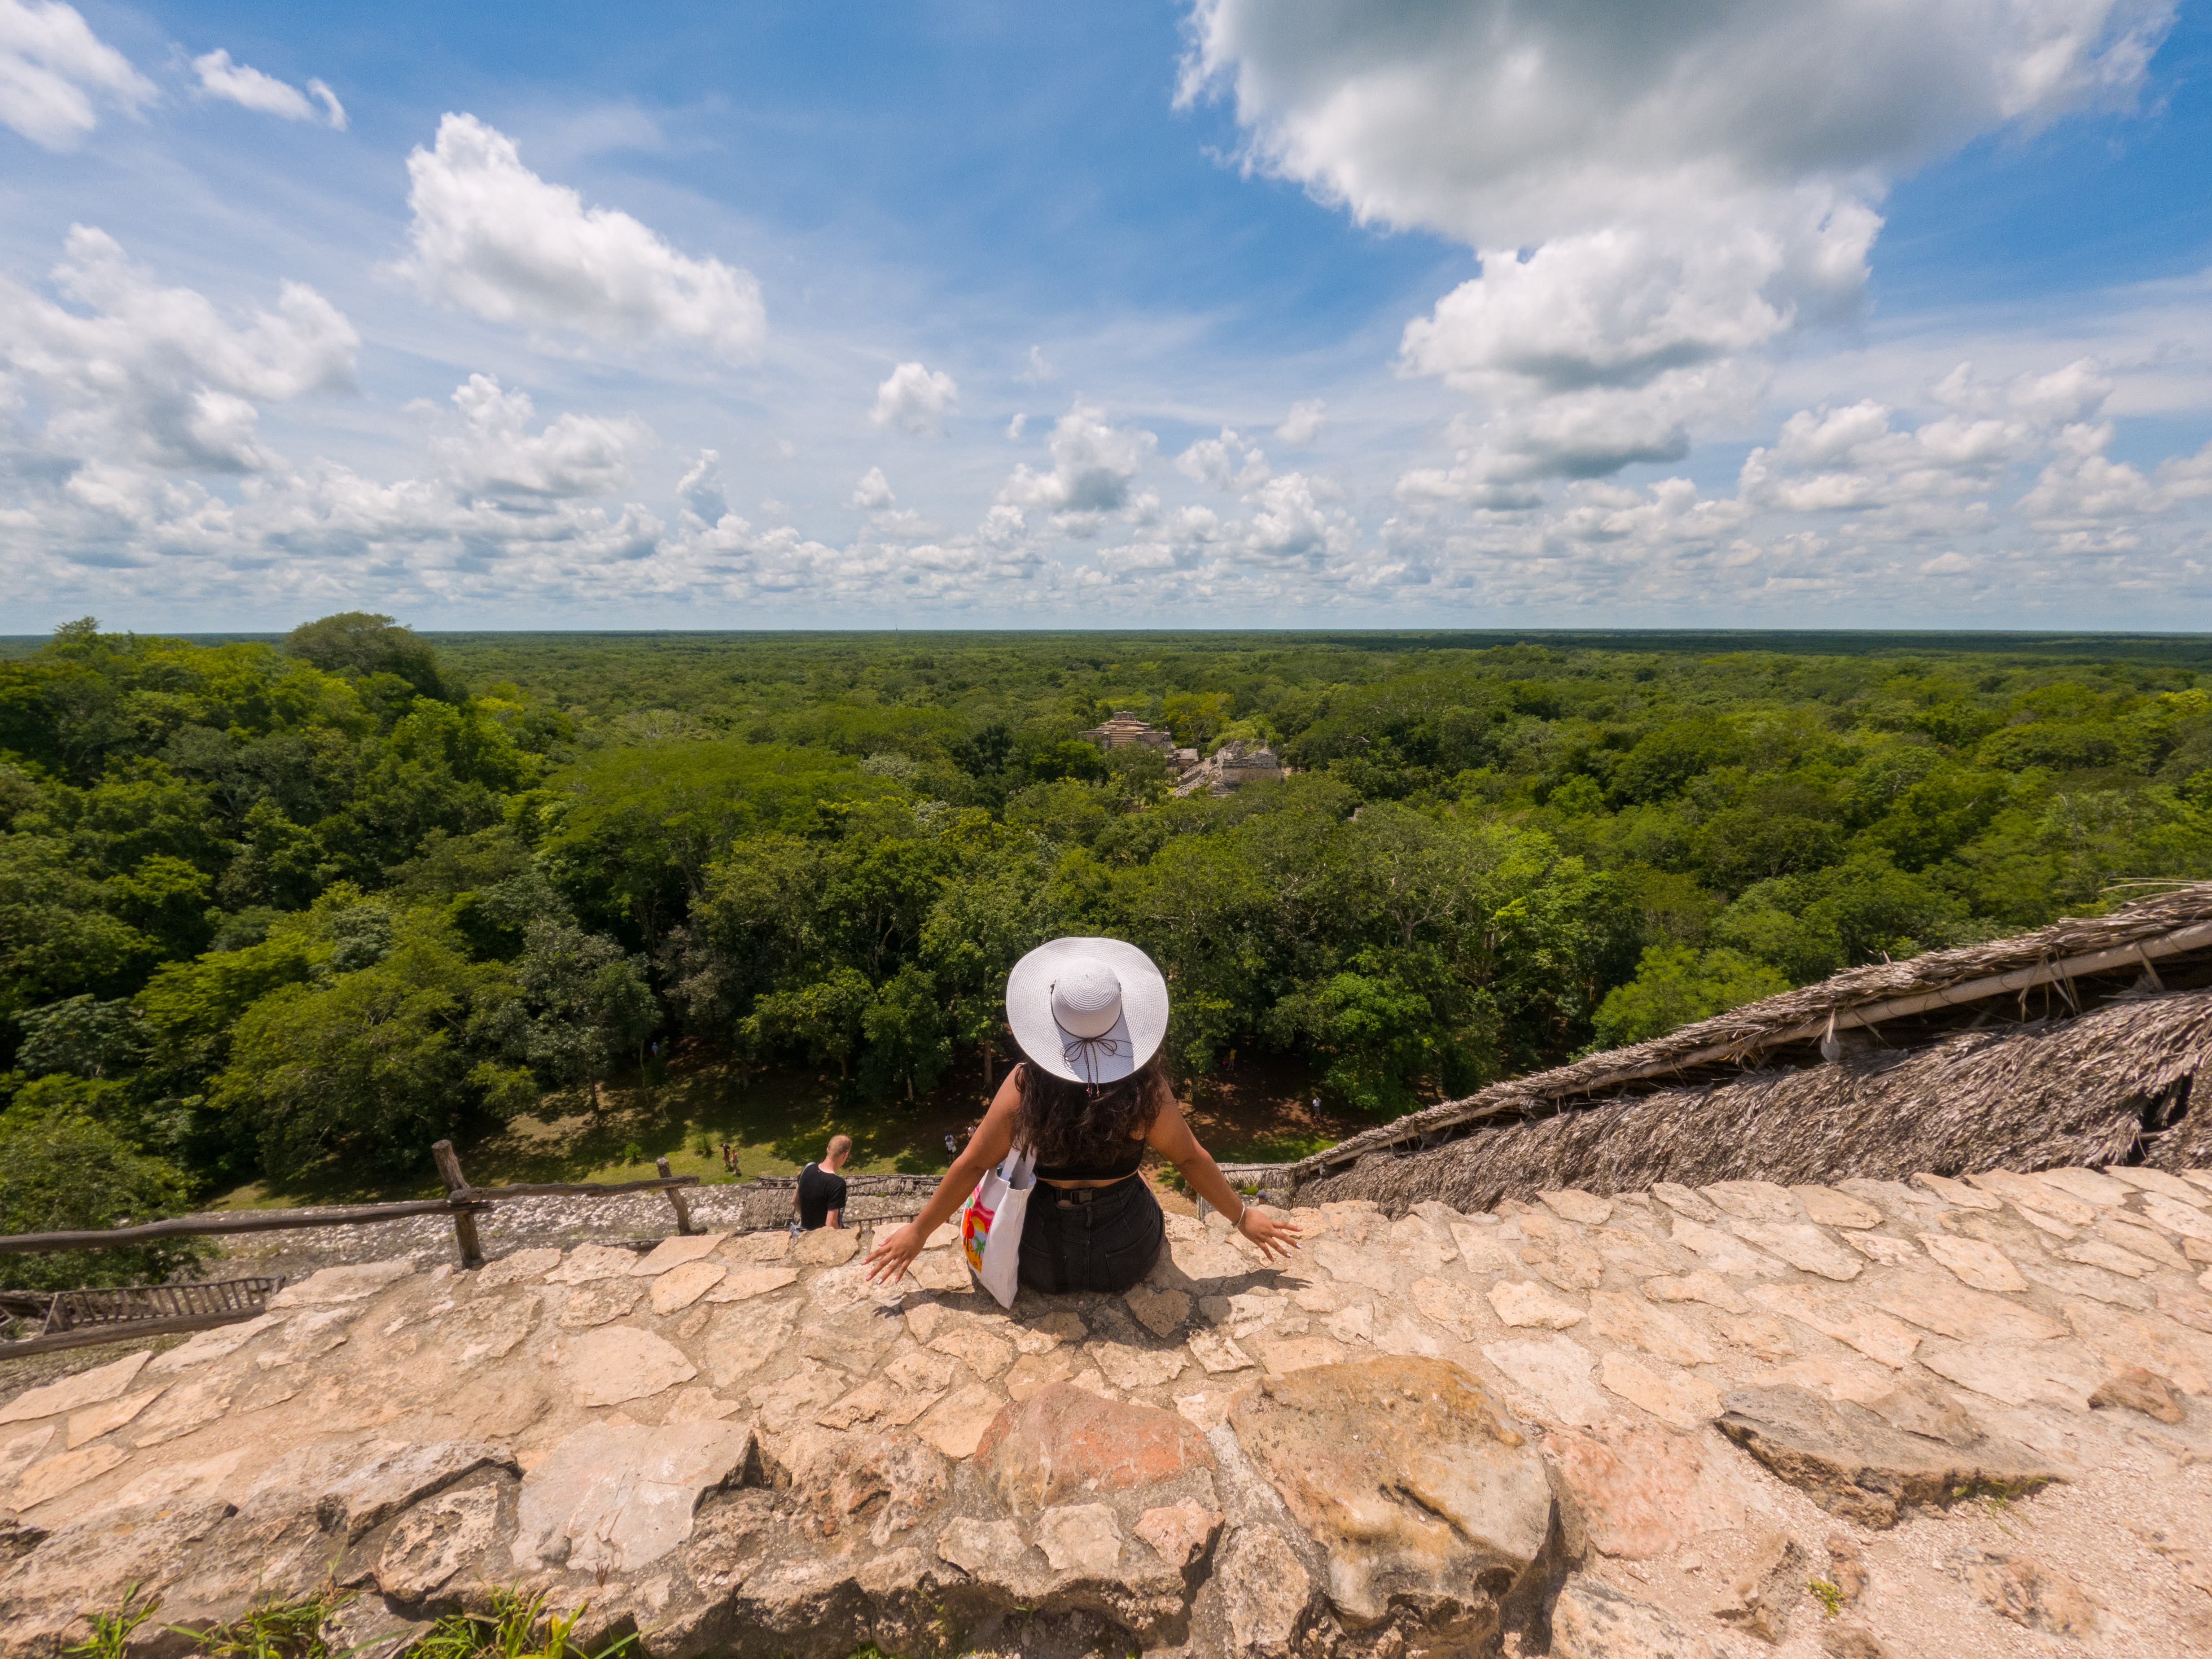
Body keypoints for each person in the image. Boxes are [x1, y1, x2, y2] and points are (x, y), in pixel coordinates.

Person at [866, 937, 1300, 1293]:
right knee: (1138, 1180)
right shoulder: (1145, 1090)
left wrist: (919, 1232)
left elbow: (974, 1163)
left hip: (1038, 1256)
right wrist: (1243, 1217)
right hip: (1126, 1252)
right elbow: (1189, 1158)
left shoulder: (1025, 1087)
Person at [794, 1135, 851, 1231]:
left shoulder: (808, 1168)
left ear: (828, 1149)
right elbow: (831, 1224)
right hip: (822, 1239)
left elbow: (794, 1201)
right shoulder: (838, 1184)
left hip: (804, 1231)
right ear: (845, 1155)